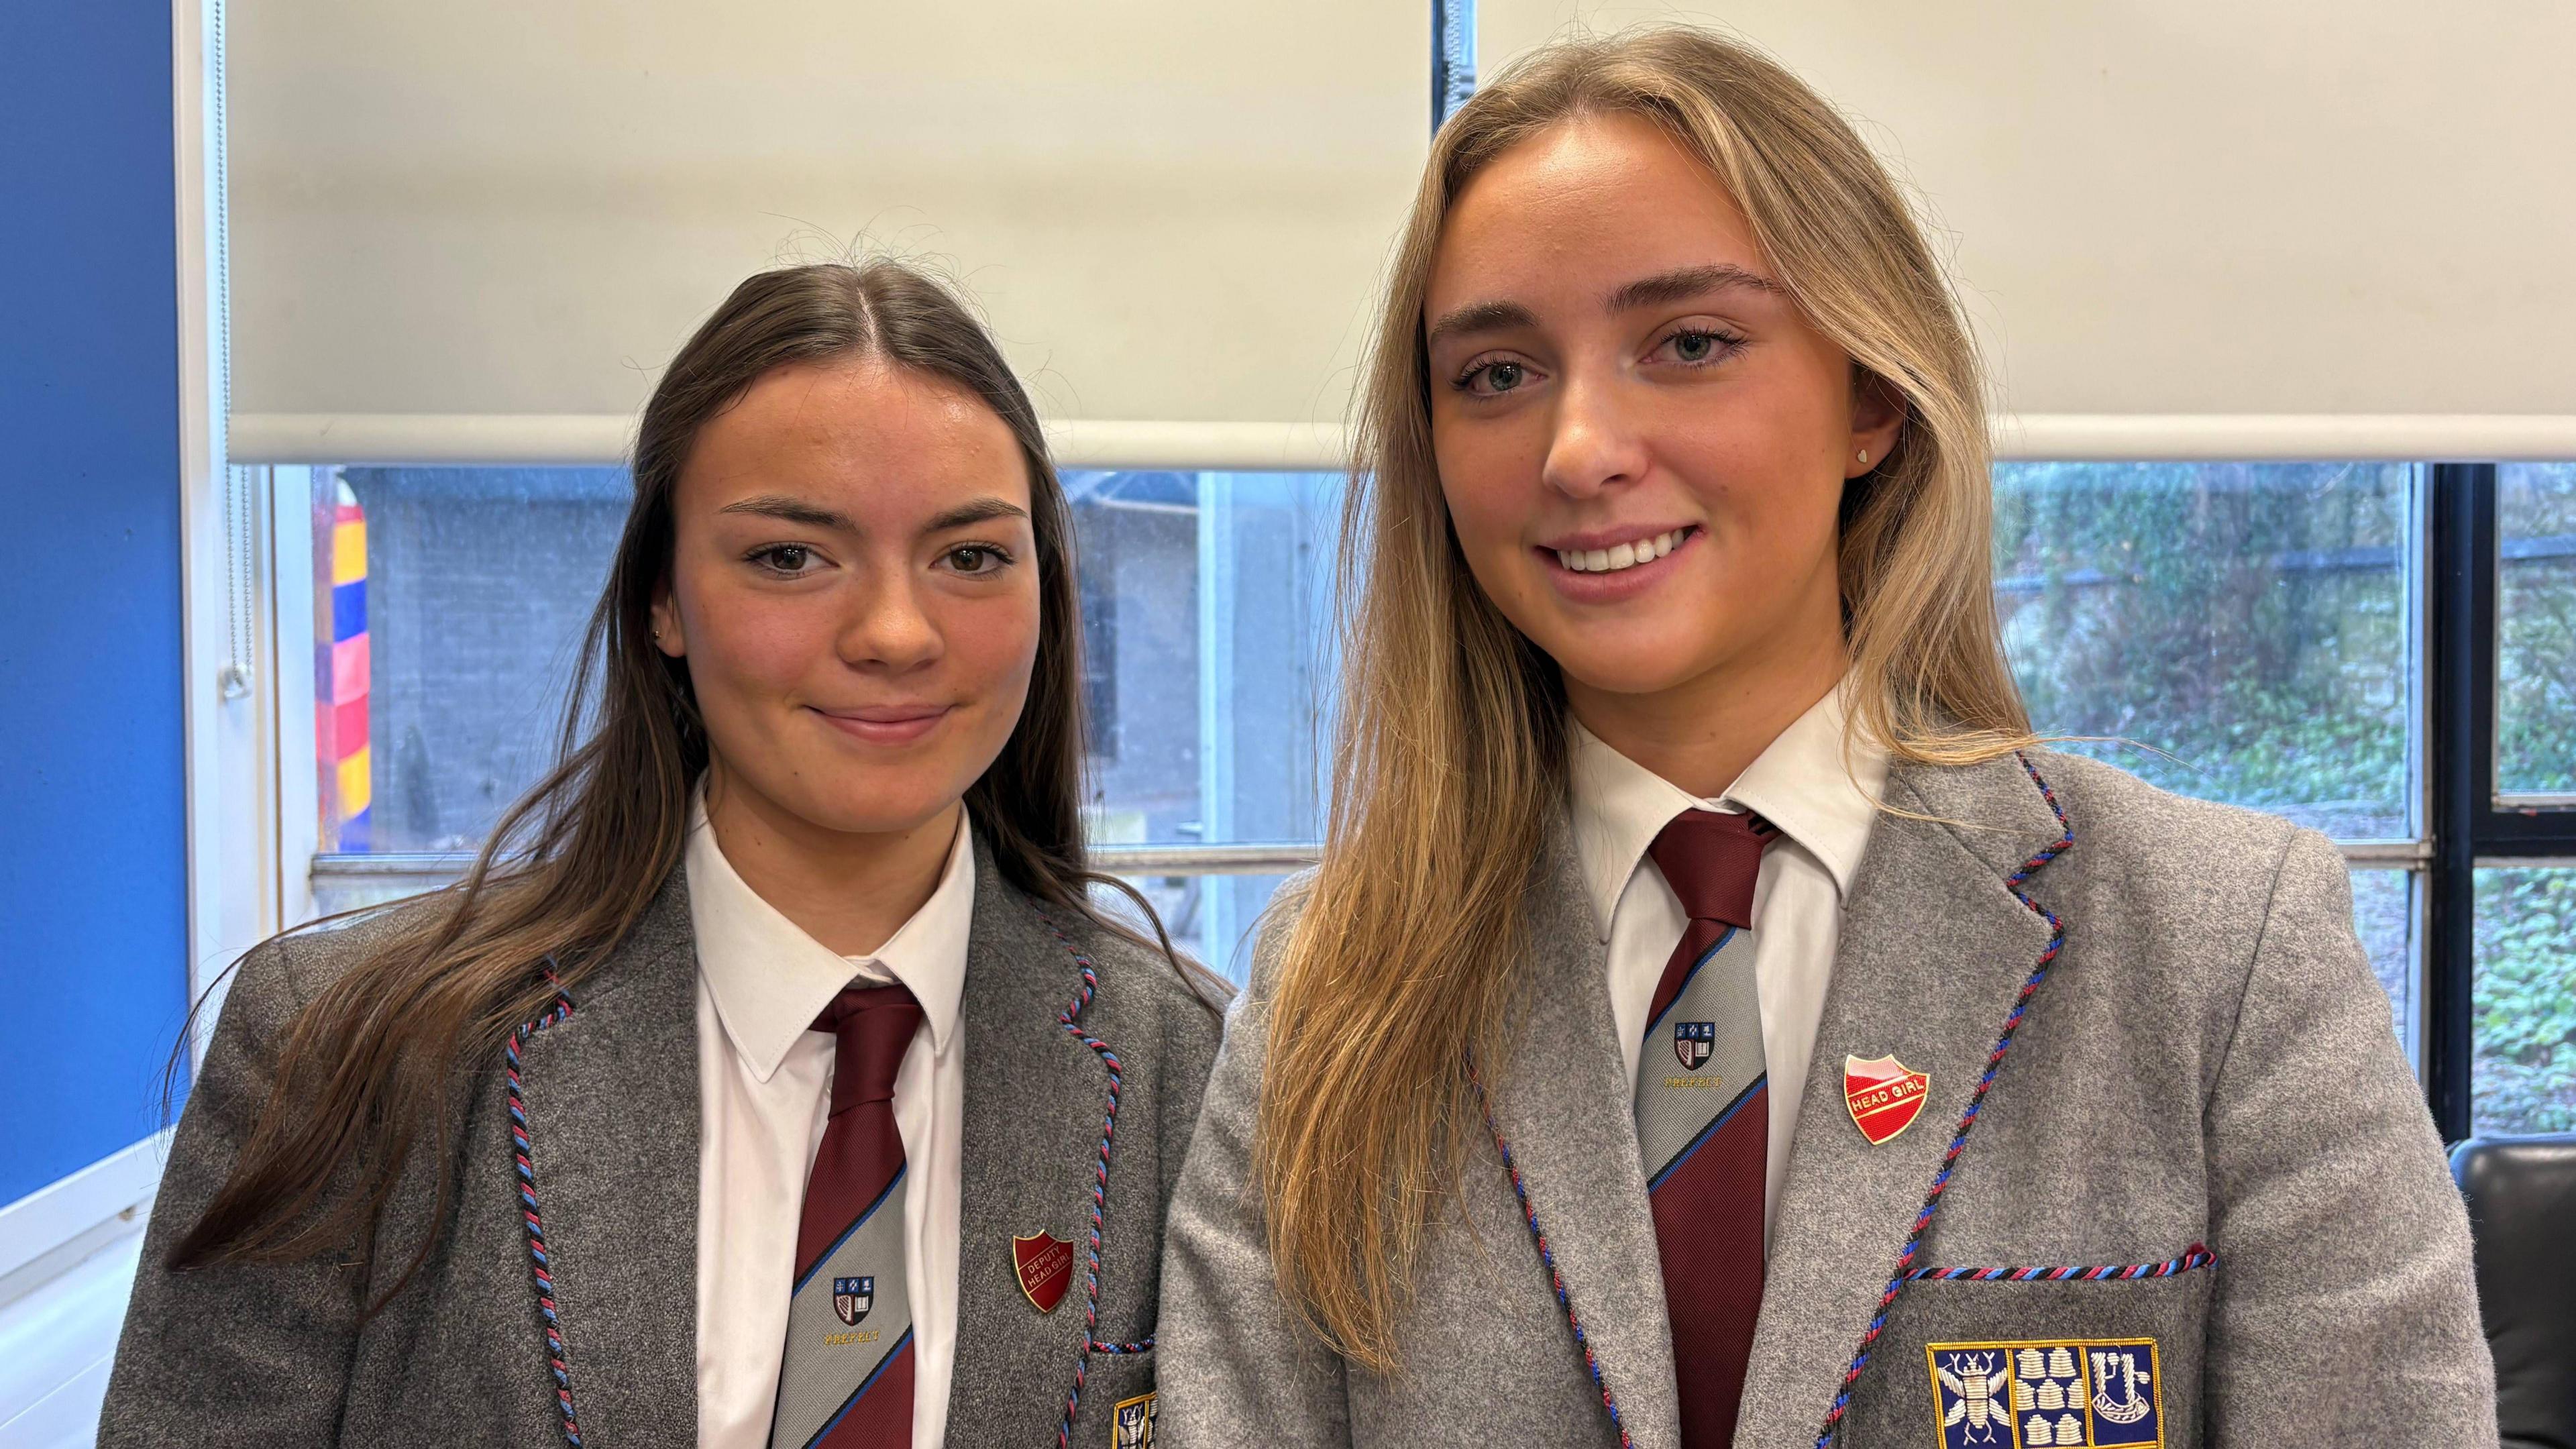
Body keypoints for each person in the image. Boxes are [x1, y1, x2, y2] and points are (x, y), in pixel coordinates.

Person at [1157, 28, 2492, 1449]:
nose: (1578, 448)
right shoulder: (1333, 992)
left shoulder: (2219, 947)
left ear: (1870, 396)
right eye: (1495, 373)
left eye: (1689, 344)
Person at [103, 260, 1225, 1448]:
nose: (897, 633)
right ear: (663, 599)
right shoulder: (346, 1052)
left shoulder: (1190, 1072)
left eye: (972, 556)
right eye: (790, 556)